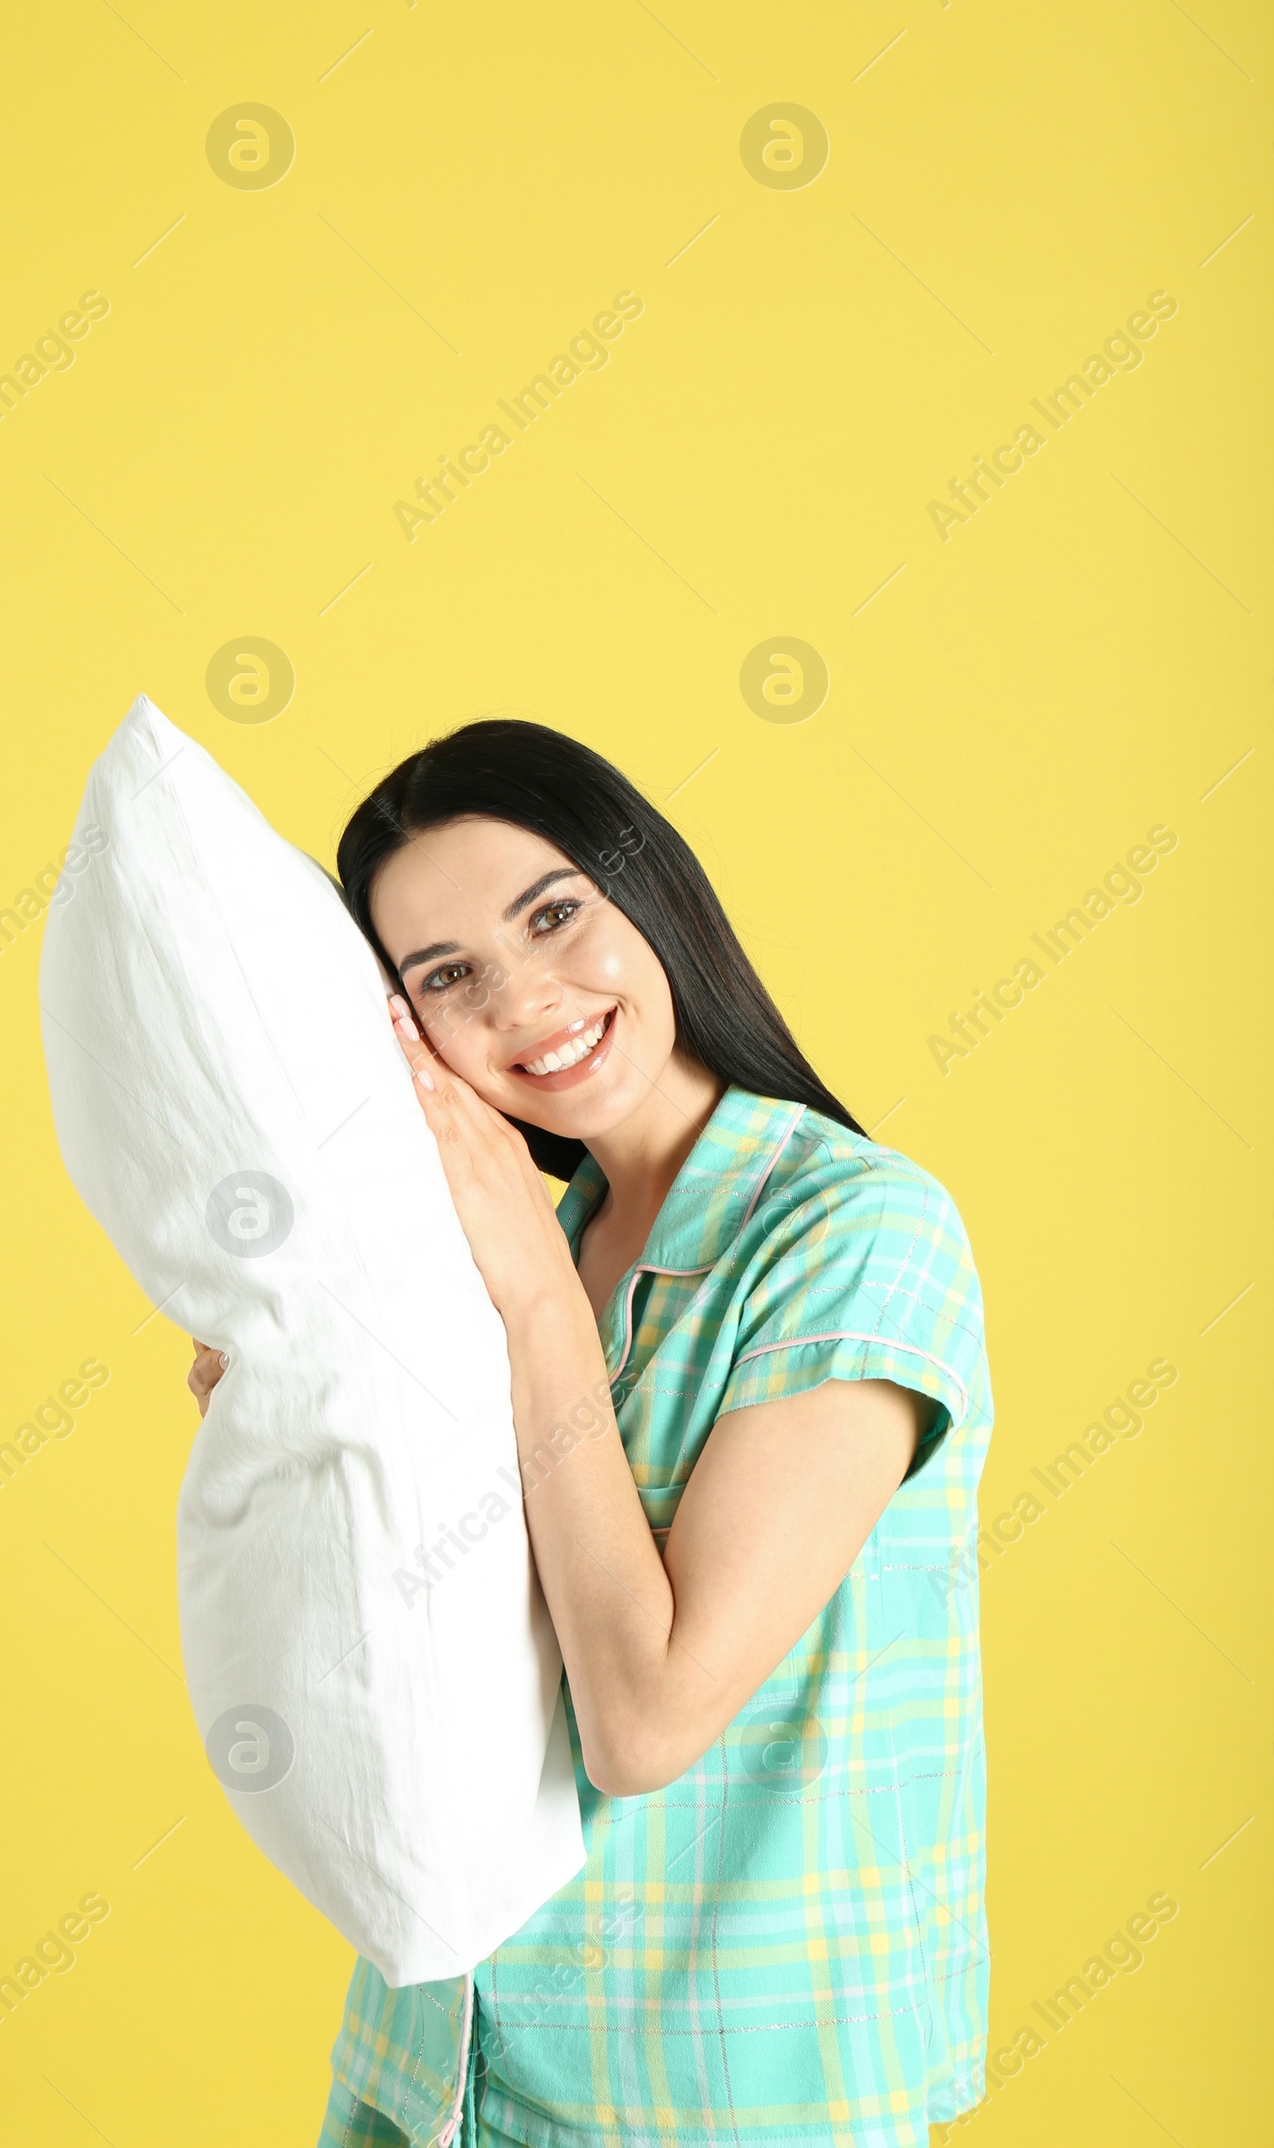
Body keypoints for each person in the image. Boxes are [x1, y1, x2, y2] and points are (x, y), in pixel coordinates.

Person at [188, 719, 991, 2148]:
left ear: (652, 892)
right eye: (449, 978)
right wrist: (308, 1428)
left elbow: (645, 1722)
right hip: (435, 2067)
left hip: (718, 2101)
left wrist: (537, 1303)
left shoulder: (857, 1233)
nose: (528, 1001)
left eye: (553, 915)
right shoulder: (496, 1261)